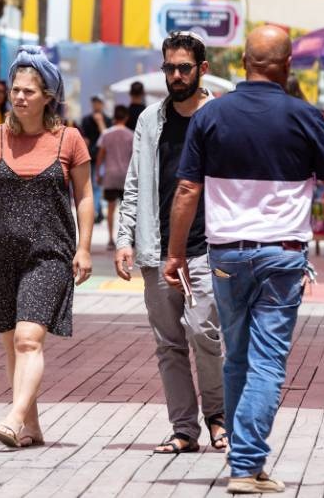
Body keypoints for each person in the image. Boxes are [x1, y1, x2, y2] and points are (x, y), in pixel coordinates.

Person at [163, 25, 324, 494]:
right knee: (268, 361)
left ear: (243, 64)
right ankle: (247, 464)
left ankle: (245, 460)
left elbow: (188, 189)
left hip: (225, 256)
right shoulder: (305, 116)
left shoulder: (210, 118)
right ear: (288, 64)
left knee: (238, 357)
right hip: (281, 257)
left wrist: (176, 253)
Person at [0, 45, 94, 448]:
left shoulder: (69, 140)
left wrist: (85, 248)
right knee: (11, 343)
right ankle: (33, 427)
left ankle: (14, 417)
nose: (19, 97)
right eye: (16, 89)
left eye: (29, 91)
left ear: (48, 97)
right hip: (1, 251)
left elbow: (85, 197)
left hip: (51, 252)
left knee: (28, 339)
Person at [115, 30, 226, 455]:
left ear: (202, 69)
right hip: (155, 249)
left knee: (205, 334)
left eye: (184, 67)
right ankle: (185, 430)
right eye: (170, 67)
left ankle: (217, 415)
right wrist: (124, 238)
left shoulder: (219, 116)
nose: (176, 75)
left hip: (206, 247)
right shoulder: (149, 121)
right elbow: (135, 184)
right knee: (169, 345)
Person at [95, 105, 133, 250]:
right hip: (126, 176)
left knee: (110, 209)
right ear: (126, 117)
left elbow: (100, 156)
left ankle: (110, 238)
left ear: (114, 118)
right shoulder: (131, 134)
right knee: (127, 210)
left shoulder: (106, 134)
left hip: (110, 174)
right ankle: (125, 240)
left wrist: (98, 172)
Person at [81, 95, 109, 224]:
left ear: (102, 104)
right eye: (94, 102)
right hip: (90, 157)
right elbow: (84, 139)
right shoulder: (86, 120)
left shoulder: (107, 119)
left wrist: (100, 123)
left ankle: (98, 212)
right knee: (93, 185)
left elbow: (107, 137)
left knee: (99, 185)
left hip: (103, 157)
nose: (95, 105)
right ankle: (97, 212)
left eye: (98, 102)